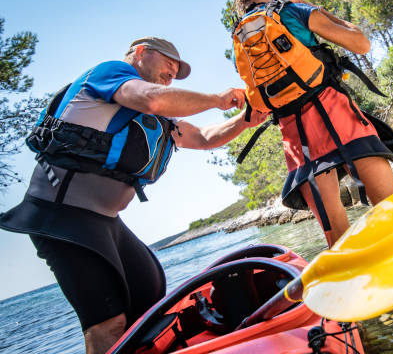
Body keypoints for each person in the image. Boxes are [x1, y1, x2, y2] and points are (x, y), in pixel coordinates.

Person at [0, 36, 267, 353]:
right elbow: (151, 99)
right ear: (141, 53)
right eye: (169, 64)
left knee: (150, 294)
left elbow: (205, 137)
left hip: (105, 221)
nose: (172, 74)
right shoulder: (110, 74)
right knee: (107, 322)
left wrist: (245, 120)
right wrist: (217, 99)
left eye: (177, 72)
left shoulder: (162, 118)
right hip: (59, 216)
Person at [228, 0, 393, 313]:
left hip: (298, 141)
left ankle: (362, 318)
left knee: (338, 240)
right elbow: (361, 44)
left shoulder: (241, 37)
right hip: (338, 117)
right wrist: (333, 19)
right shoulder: (294, 10)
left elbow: (259, 107)